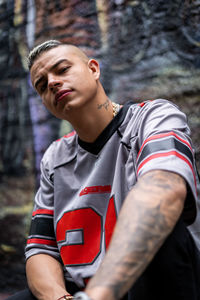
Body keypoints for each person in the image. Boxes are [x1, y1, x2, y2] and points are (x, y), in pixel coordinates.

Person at [7, 40, 200, 300]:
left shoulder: (152, 117)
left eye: (62, 69)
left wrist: (98, 295)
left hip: (153, 279)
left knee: (161, 233)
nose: (52, 82)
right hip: (83, 292)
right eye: (42, 85)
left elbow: (164, 191)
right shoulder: (54, 157)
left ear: (94, 69)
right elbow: (41, 249)